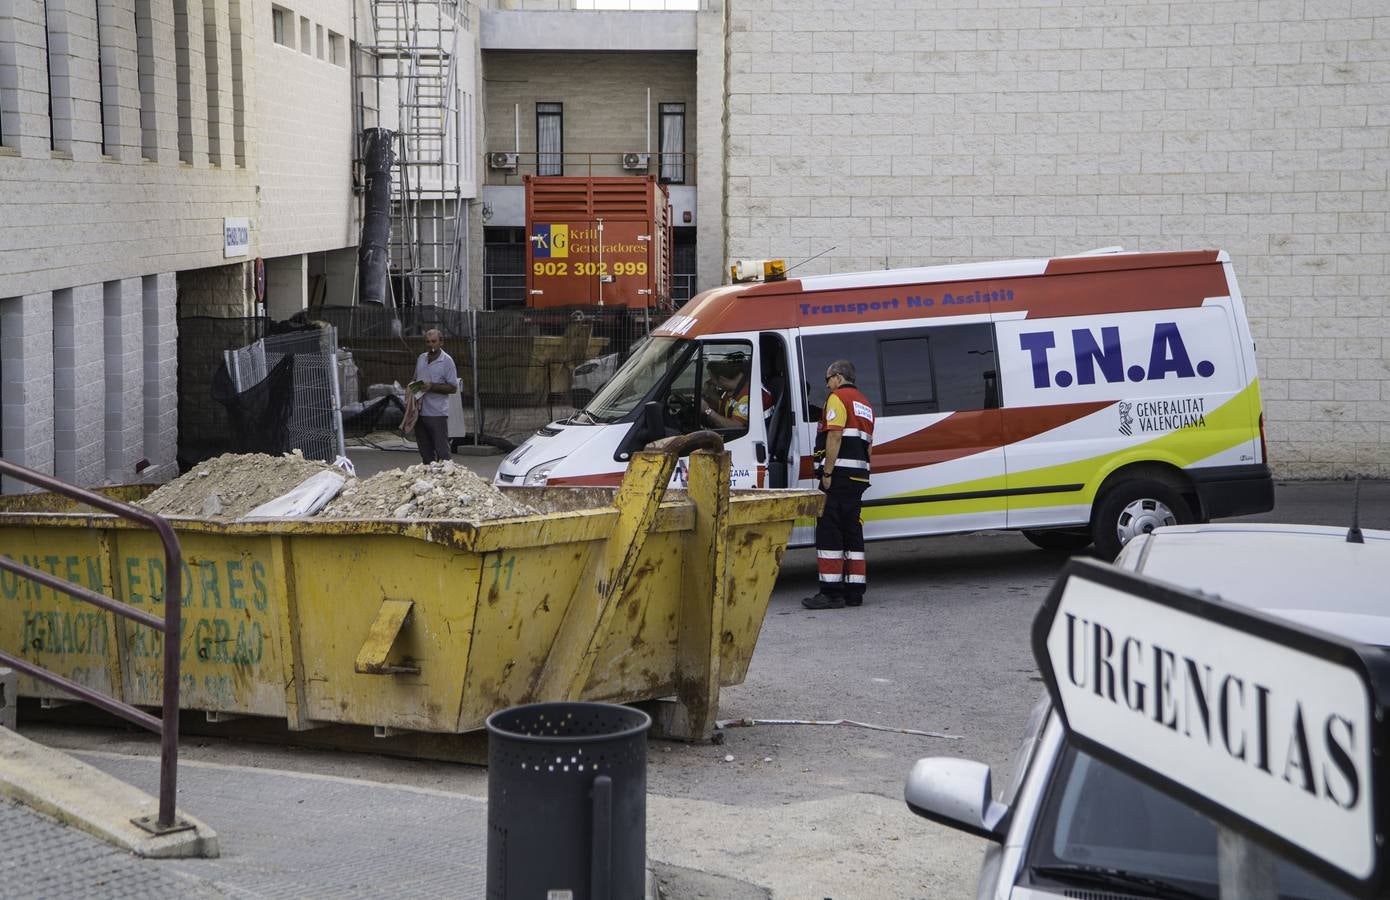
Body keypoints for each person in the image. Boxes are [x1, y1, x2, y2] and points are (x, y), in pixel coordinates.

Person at [802, 359, 875, 610]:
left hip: (839, 476)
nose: (827, 385)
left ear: (839, 377)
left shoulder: (838, 399)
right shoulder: (864, 403)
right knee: (852, 532)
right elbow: (869, 445)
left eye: (828, 379)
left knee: (830, 530)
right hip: (858, 477)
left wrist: (828, 473)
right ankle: (854, 592)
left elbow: (834, 435)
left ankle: (831, 592)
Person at [410, 329, 458, 463]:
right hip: (420, 412)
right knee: (425, 451)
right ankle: (429, 477)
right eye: (428, 342)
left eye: (434, 341)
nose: (431, 345)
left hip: (437, 413)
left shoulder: (447, 361)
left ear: (441, 342)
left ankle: (446, 478)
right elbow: (415, 378)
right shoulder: (421, 358)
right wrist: (412, 388)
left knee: (442, 451)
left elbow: (453, 387)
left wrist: (432, 386)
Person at [700, 353, 772, 431]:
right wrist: (712, 395)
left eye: (712, 378)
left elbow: (735, 426)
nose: (709, 382)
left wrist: (707, 410)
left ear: (722, 379)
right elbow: (730, 407)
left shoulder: (748, 395)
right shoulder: (734, 389)